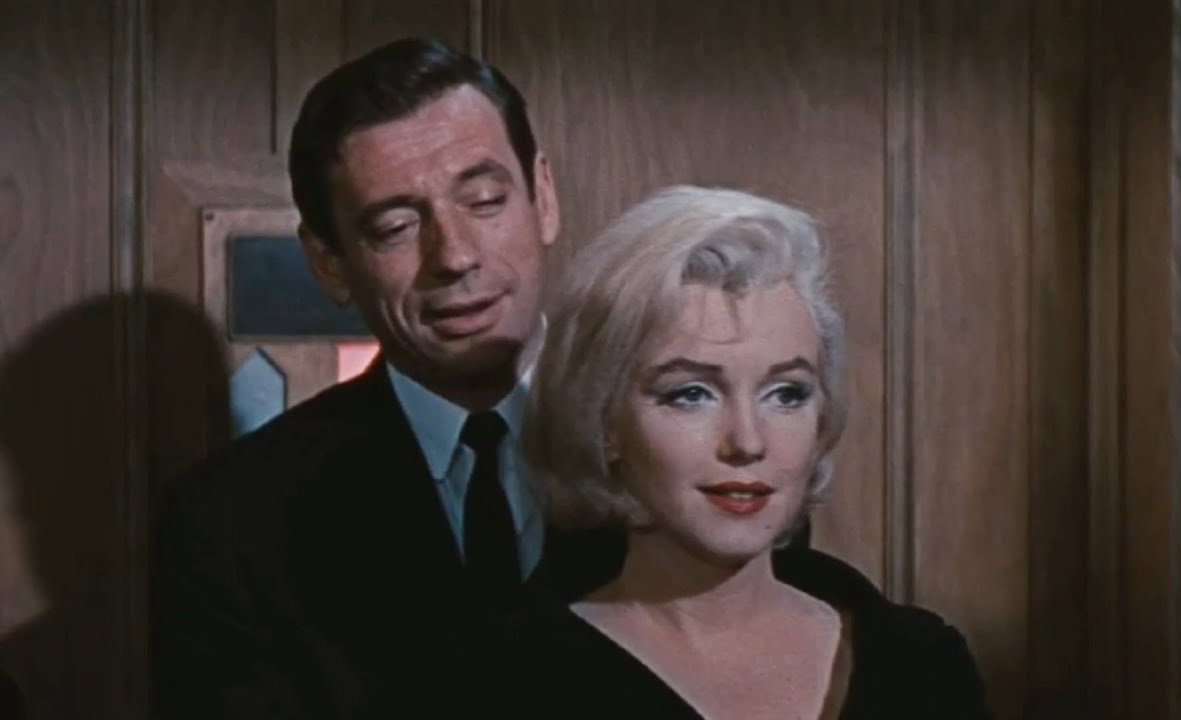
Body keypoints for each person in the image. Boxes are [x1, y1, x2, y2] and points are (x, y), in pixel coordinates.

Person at [153, 37, 562, 718]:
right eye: (396, 226)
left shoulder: (679, 460)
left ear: (542, 196)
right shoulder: (233, 522)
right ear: (329, 263)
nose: (455, 255)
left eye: (485, 200)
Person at [507, 186, 992, 719]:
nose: (747, 442)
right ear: (604, 423)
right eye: (691, 394)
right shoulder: (520, 680)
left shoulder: (920, 662)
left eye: (786, 394)